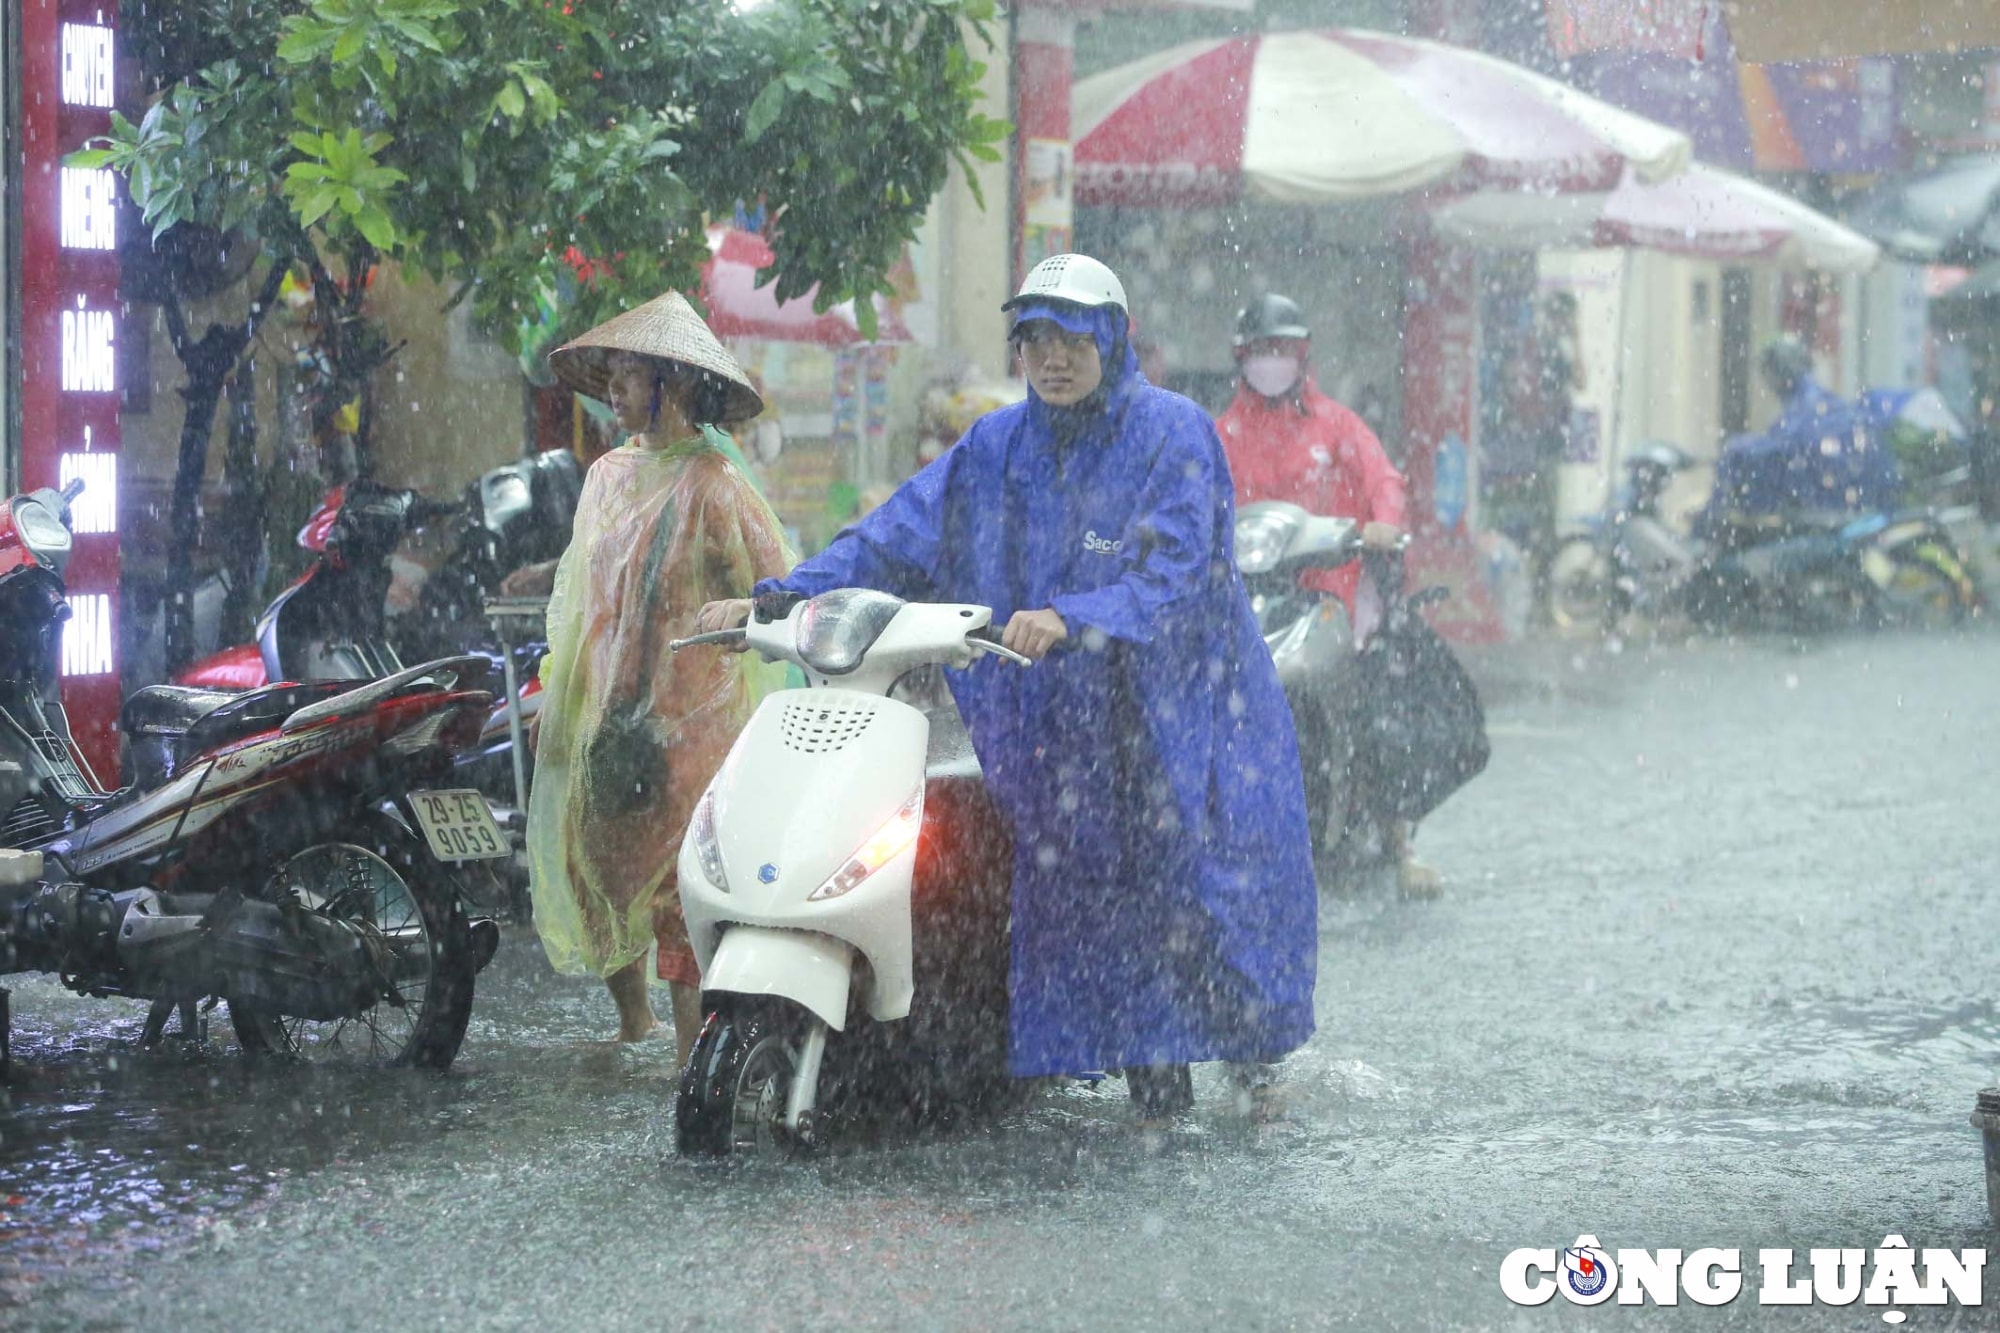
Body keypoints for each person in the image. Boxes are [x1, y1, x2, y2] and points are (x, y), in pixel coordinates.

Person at [696, 254, 1318, 1123]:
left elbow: (1178, 571)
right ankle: (1140, 1096)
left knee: (1198, 897)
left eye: (1072, 340)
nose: (1053, 359)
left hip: (1175, 713)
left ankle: (1244, 1072)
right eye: (1035, 341)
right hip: (1059, 720)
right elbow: (897, 531)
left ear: (1113, 339)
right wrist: (793, 590)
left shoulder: (1174, 433)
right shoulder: (997, 445)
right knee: (1077, 904)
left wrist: (1075, 612)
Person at [529, 291, 794, 1053]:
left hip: (694, 718)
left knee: (683, 886)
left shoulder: (716, 484)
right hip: (608, 704)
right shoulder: (606, 476)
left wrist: (735, 610)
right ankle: (631, 1021)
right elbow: (582, 591)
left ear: (671, 384)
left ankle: (694, 1056)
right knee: (595, 857)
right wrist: (564, 695)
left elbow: (773, 585)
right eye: (608, 373)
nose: (613, 389)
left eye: (628, 373)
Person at [1212, 292, 1442, 899]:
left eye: (1282, 350)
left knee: (1371, 695)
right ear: (1241, 356)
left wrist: (1384, 522)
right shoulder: (1218, 434)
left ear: (1303, 355)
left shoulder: (1335, 425)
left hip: (1333, 594)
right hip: (1243, 598)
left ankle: (1401, 838)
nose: (1272, 361)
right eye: (1262, 350)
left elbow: (1383, 480)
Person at [1698, 336, 1899, 535]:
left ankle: (1710, 528)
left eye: (1769, 372)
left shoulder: (1806, 400)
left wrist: (1736, 451)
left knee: (1735, 453)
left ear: (1781, 370)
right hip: (1848, 499)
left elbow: (1791, 444)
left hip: (1827, 502)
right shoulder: (1813, 397)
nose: (1767, 382)